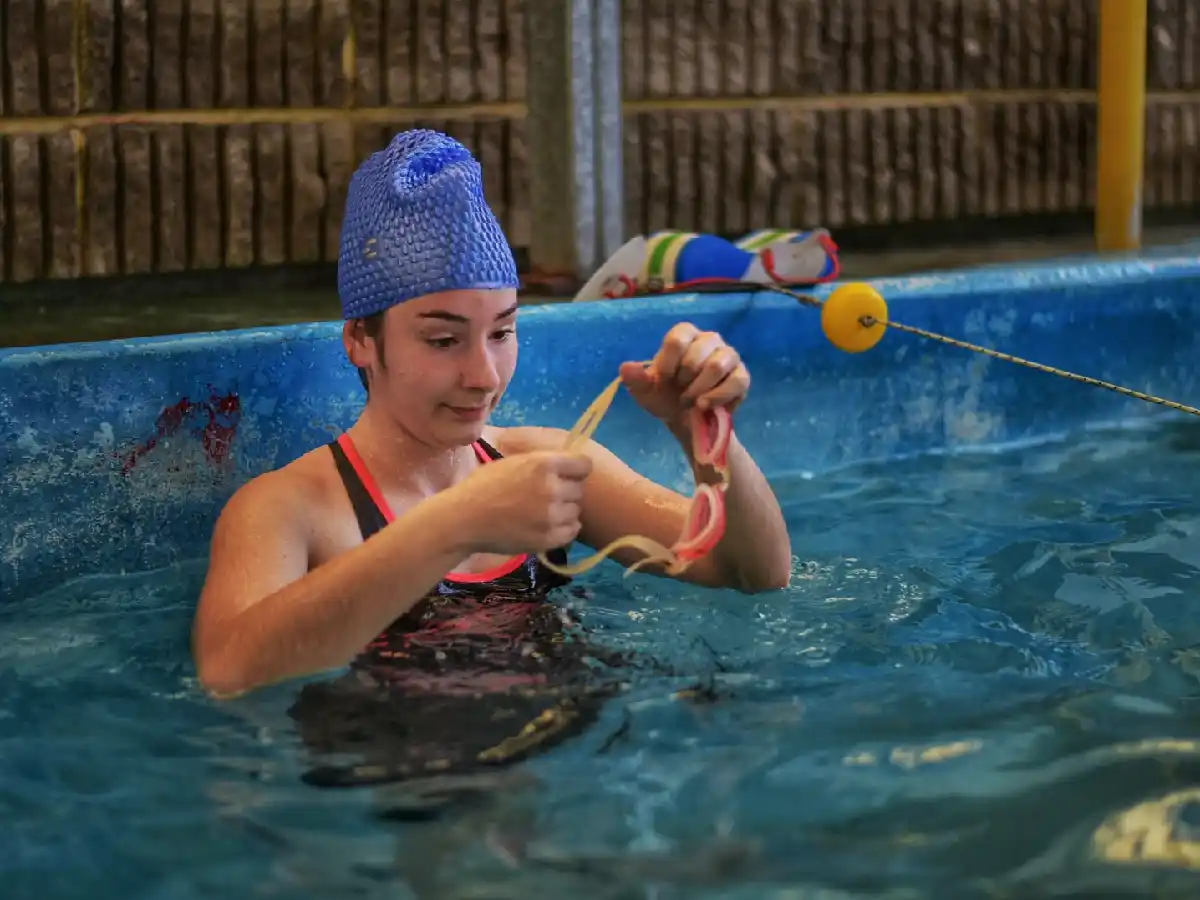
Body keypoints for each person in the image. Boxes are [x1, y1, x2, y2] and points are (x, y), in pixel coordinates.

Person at [190, 129, 793, 787]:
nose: (485, 375)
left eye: (502, 331)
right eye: (444, 338)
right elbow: (230, 671)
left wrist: (704, 434)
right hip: (416, 783)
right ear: (361, 340)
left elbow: (754, 572)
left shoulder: (539, 460)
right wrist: (457, 523)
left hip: (592, 755)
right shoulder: (290, 508)